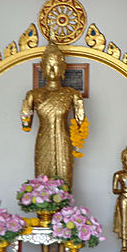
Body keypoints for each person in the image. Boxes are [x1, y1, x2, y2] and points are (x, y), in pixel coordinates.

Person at [20, 42, 86, 188]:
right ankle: (42, 208)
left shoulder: (72, 94)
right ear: (42, 67)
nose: (51, 69)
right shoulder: (33, 94)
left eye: (56, 65)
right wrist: (25, 113)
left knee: (64, 176)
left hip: (64, 138)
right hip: (44, 138)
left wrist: (80, 107)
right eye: (48, 65)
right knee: (43, 177)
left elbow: (80, 124)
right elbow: (26, 125)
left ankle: (66, 210)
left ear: (62, 68)